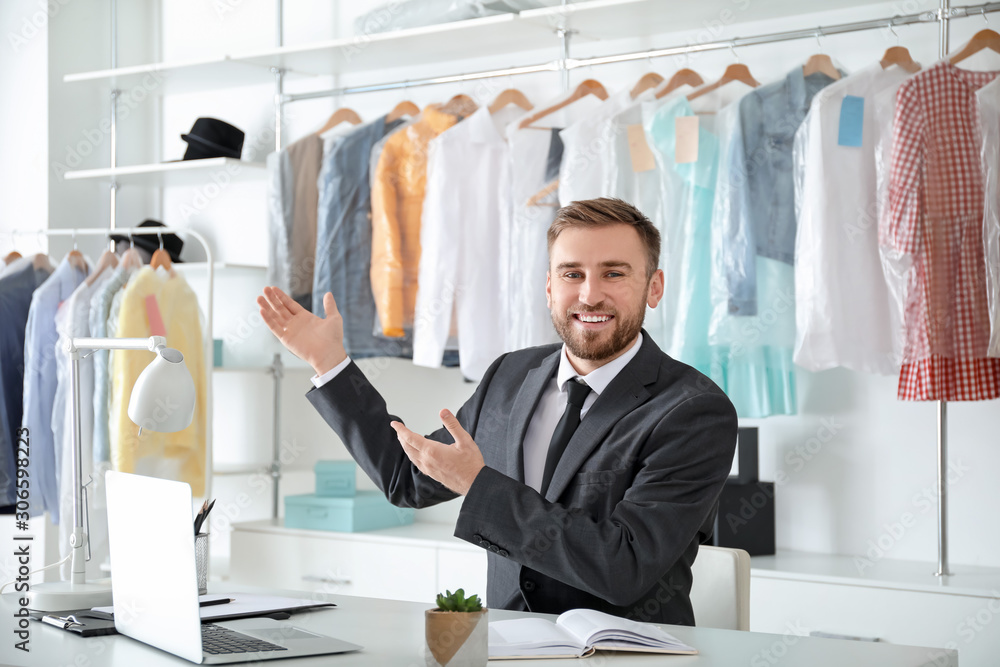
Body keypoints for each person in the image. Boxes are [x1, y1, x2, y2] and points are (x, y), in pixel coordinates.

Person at [257, 198, 737, 625]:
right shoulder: (511, 376)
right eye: (572, 274)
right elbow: (406, 477)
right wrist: (330, 364)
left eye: (614, 273)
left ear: (653, 287)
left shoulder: (693, 411)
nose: (590, 294)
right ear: (550, 286)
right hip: (505, 649)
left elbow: (623, 566)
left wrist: (478, 484)